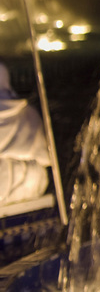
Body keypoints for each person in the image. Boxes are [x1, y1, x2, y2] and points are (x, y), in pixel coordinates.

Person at [0, 62, 52, 206]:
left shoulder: (27, 114)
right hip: (32, 184)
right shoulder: (29, 114)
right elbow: (44, 157)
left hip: (25, 184)